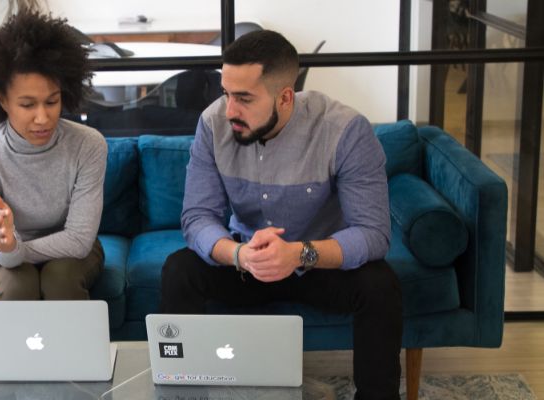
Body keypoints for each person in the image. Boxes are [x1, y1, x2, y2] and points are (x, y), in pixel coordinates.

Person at [159, 30, 402, 399]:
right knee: (180, 270)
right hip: (247, 260)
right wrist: (239, 254)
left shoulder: (344, 130)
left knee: (379, 284)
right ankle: (182, 394)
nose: (230, 110)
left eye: (244, 98)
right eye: (226, 93)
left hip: (316, 262)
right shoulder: (212, 124)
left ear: (286, 97)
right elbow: (197, 217)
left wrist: (298, 253)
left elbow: (373, 233)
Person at [0, 11, 107, 301]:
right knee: (17, 285)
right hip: (3, 246)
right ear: (2, 100)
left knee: (60, 280)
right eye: (28, 105)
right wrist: (4, 249)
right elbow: (7, 249)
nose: (43, 118)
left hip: (70, 250)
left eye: (52, 101)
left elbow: (79, 240)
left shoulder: (88, 145)